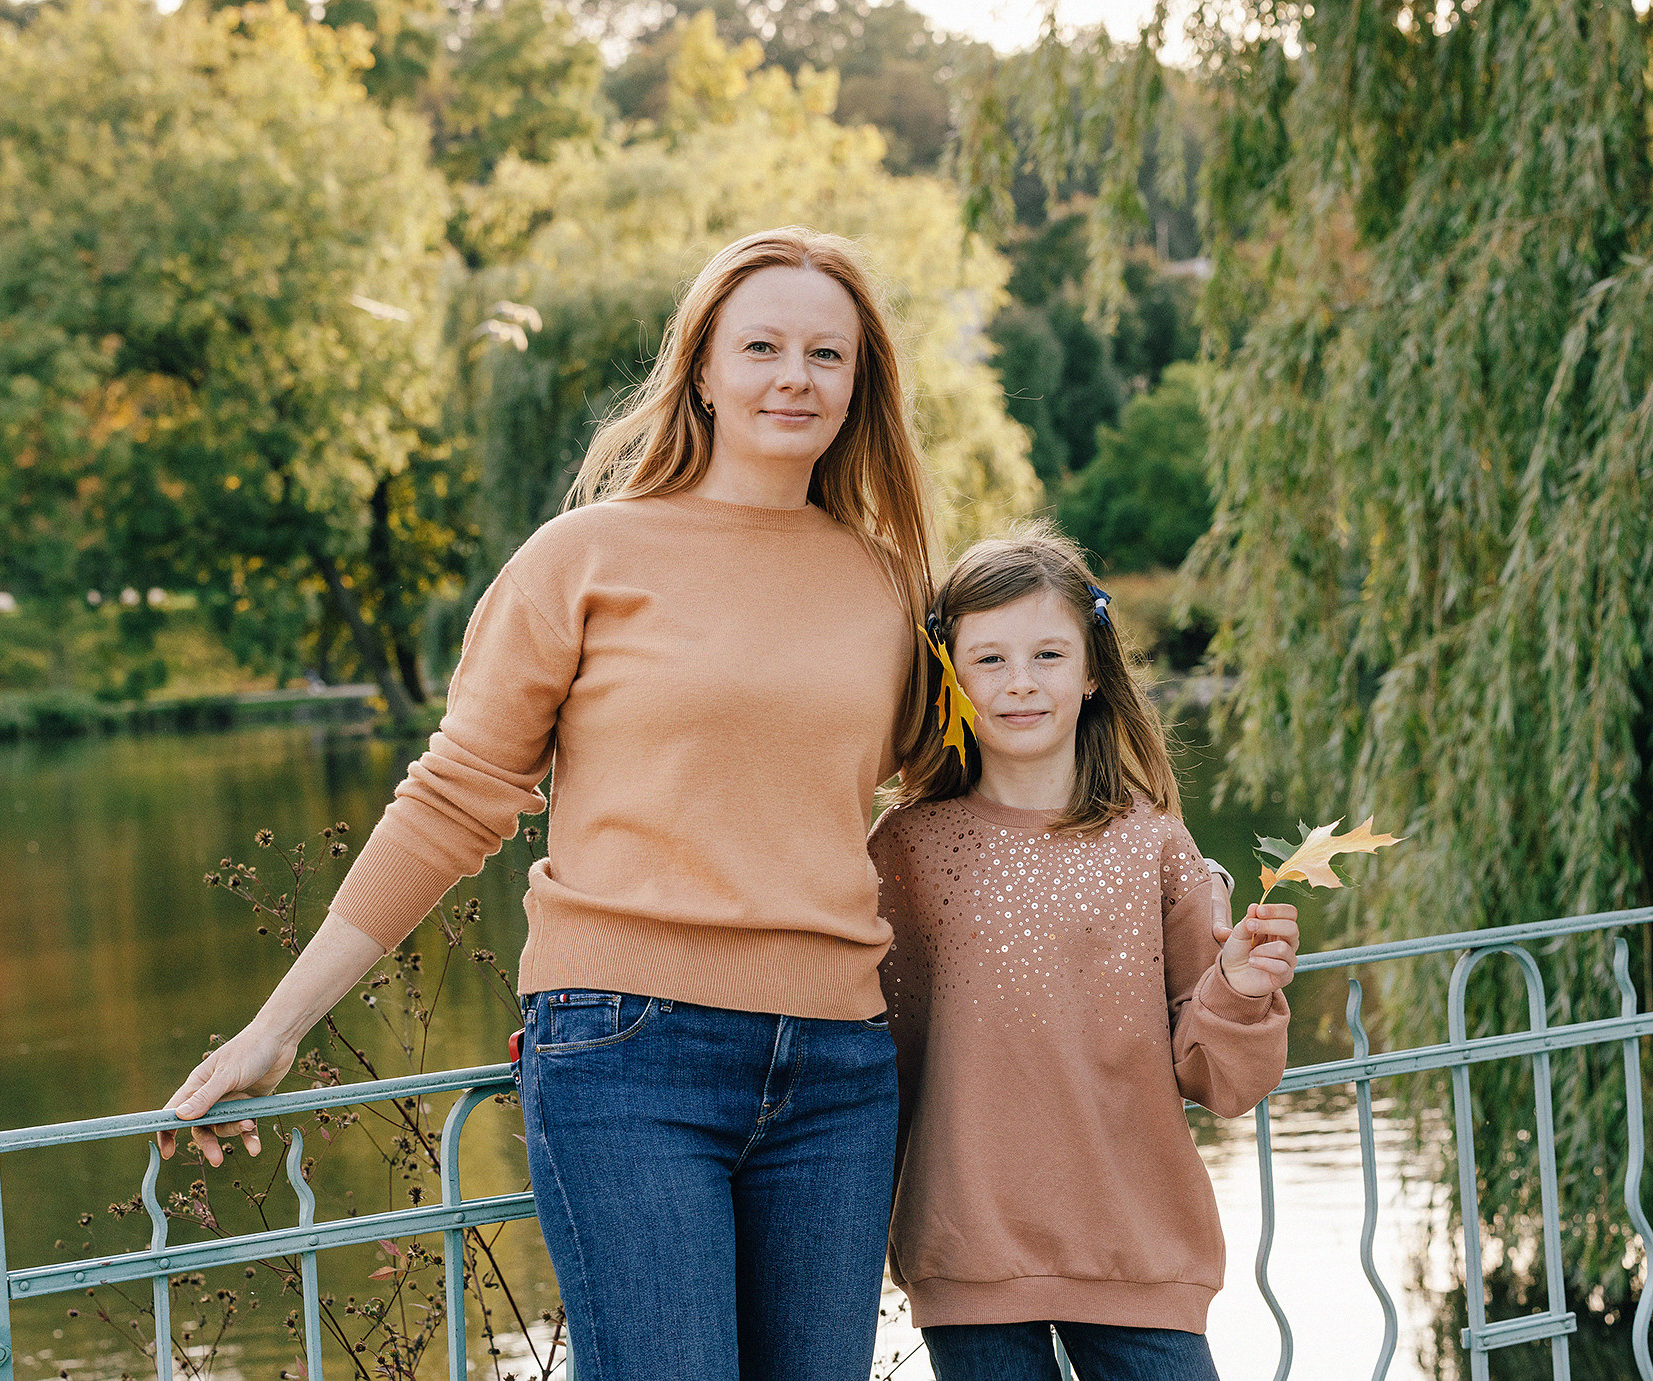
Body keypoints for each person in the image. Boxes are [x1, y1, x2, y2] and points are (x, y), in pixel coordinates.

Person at [160, 226, 936, 1381]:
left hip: (838, 1068)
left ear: (858, 382)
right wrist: (275, 1029)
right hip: (631, 1054)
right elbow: (452, 803)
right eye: (761, 346)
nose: (794, 377)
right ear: (703, 372)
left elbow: (952, 796)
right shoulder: (583, 557)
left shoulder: (890, 580)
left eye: (827, 355)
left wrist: (1160, 898)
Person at [870, 525, 1301, 1381]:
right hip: (971, 1256)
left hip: (1138, 1253)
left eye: (1048, 654)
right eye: (987, 659)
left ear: (1093, 670)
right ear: (947, 675)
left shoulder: (1156, 846)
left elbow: (1221, 1078)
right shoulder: (905, 851)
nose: (1020, 682)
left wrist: (1240, 991)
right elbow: (876, 1060)